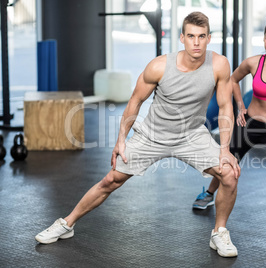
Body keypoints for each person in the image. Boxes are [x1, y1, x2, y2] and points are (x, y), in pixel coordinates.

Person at [35, 12, 241, 258]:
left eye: (201, 37)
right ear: (181, 38)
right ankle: (66, 224)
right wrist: (121, 140)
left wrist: (224, 148)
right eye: (190, 36)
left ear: (209, 38)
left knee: (229, 173)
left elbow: (226, 106)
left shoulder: (219, 65)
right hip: (153, 134)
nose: (196, 43)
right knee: (111, 180)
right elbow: (135, 102)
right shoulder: (158, 66)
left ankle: (219, 232)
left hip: (192, 135)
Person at [192, 19, 266, 234]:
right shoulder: (253, 63)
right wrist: (241, 106)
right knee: (228, 160)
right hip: (251, 124)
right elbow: (232, 80)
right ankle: (210, 193)